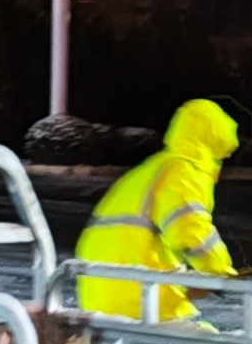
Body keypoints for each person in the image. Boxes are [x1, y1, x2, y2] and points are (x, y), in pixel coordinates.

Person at [73, 97, 242, 322]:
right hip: (139, 296)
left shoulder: (153, 168)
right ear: (213, 140)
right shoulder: (183, 171)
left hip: (102, 290)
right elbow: (190, 232)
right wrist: (219, 271)